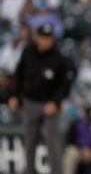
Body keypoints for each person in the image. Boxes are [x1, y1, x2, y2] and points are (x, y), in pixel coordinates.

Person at [8, 23, 75, 174]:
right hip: (30, 102)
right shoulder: (28, 52)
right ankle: (29, 171)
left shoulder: (58, 57)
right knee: (30, 142)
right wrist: (14, 95)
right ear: (36, 37)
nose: (46, 41)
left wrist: (56, 102)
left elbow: (65, 84)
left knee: (52, 143)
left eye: (49, 37)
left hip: (50, 105)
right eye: (43, 37)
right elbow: (18, 75)